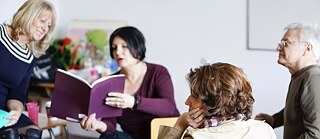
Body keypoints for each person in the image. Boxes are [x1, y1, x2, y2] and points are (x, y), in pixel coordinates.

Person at [80, 26, 180, 139]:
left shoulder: (158, 72)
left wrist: (134, 102)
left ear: (138, 47)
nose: (117, 52)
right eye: (114, 48)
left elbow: (169, 107)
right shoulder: (111, 82)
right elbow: (110, 125)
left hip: (164, 136)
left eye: (124, 46)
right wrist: (97, 125)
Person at [158, 63, 276, 139]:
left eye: (194, 95)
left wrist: (180, 125)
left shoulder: (197, 137)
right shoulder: (264, 130)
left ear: (213, 101)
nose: (187, 101)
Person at [0, 0, 56, 138]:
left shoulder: (30, 57)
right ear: (29, 15)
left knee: (33, 133)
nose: (45, 28)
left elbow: (17, 93)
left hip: (2, 112)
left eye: (49, 26)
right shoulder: (1, 33)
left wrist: (16, 111)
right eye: (42, 21)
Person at [255, 22, 320, 138]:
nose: (278, 48)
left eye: (285, 43)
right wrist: (275, 120)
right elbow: (298, 106)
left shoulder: (313, 78)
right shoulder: (301, 76)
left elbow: (316, 135)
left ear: (307, 48)